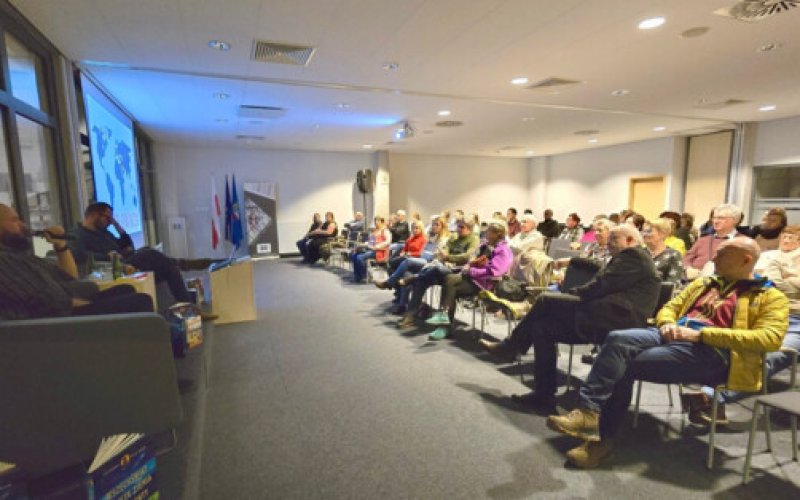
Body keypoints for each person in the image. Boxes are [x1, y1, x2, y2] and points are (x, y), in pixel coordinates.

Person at [545, 238, 788, 468]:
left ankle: (600, 440)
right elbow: (669, 307)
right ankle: (588, 412)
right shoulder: (704, 284)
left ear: (746, 260)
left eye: (722, 254)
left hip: (713, 354)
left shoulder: (769, 296)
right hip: (673, 336)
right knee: (617, 339)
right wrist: (667, 323)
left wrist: (701, 335)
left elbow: (770, 339)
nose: (714, 257)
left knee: (622, 365)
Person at [480, 225, 660, 409]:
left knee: (545, 300)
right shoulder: (627, 258)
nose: (609, 243)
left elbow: (602, 284)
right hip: (603, 315)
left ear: (630, 241)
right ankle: (544, 394)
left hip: (617, 320)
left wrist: (575, 292)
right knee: (542, 327)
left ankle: (511, 346)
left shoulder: (634, 256)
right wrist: (572, 261)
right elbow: (598, 268)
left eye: (614, 239)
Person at [683, 226, 800, 424]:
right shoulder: (769, 254)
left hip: (795, 317)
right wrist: (791, 280)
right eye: (784, 235)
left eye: (793, 236)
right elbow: (769, 280)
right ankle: (712, 400)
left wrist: (782, 278)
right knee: (732, 340)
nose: (787, 239)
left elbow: (773, 281)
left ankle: (711, 397)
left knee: (770, 353)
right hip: (757, 308)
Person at [0, 203, 153, 320]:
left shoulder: (22, 257)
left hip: (69, 304)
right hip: (61, 322)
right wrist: (92, 307)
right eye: (15, 221)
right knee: (140, 301)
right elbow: (52, 301)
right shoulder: (5, 260)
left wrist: (60, 245)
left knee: (126, 289)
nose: (23, 225)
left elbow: (68, 277)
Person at [68, 202, 198, 304]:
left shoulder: (104, 232)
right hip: (112, 268)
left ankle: (188, 308)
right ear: (93, 215)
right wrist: (106, 256)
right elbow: (79, 255)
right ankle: (182, 263)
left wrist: (117, 226)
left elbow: (127, 246)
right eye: (107, 218)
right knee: (149, 253)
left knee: (170, 269)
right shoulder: (77, 234)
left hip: (126, 261)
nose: (109, 222)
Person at [425, 222, 513, 340]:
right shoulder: (485, 245)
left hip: (487, 285)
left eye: (489, 232)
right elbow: (472, 258)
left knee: (449, 282)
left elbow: (495, 272)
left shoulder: (503, 250)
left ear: (498, 234)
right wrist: (469, 266)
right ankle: (444, 319)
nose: (485, 234)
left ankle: (444, 323)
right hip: (474, 280)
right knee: (449, 282)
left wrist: (472, 271)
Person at [398, 220, 480, 328]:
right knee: (421, 281)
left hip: (458, 271)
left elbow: (467, 256)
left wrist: (448, 257)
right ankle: (410, 316)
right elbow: (445, 248)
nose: (458, 229)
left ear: (469, 229)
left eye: (461, 227)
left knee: (436, 270)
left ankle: (415, 277)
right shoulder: (454, 237)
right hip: (445, 267)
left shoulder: (474, 240)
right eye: (458, 226)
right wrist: (445, 255)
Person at [683, 203, 745, 280]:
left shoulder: (744, 242)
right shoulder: (703, 240)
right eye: (714, 218)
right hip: (696, 283)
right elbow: (686, 259)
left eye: (721, 218)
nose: (715, 221)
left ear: (735, 220)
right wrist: (688, 268)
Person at [643, 218, 684, 285]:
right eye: (644, 231)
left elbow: (672, 284)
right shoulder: (638, 253)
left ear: (662, 234)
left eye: (649, 231)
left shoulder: (673, 255)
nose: (644, 234)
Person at [351, 216, 391, 283]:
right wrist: (364, 244)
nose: (376, 222)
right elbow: (370, 241)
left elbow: (388, 242)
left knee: (359, 258)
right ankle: (357, 276)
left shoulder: (385, 231)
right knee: (354, 255)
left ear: (382, 222)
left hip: (379, 251)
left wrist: (377, 246)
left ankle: (364, 276)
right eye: (375, 221)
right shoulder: (375, 231)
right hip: (371, 249)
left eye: (378, 221)